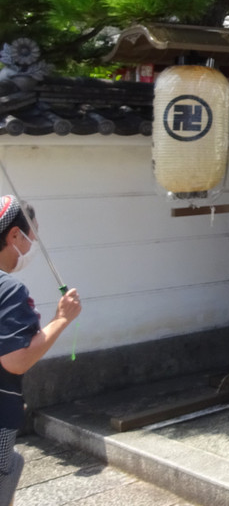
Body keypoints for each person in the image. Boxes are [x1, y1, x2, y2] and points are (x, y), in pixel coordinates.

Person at [0, 196, 81, 504]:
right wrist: (61, 319)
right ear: (14, 235)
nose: (32, 245)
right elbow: (16, 360)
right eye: (31, 236)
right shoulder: (8, 289)